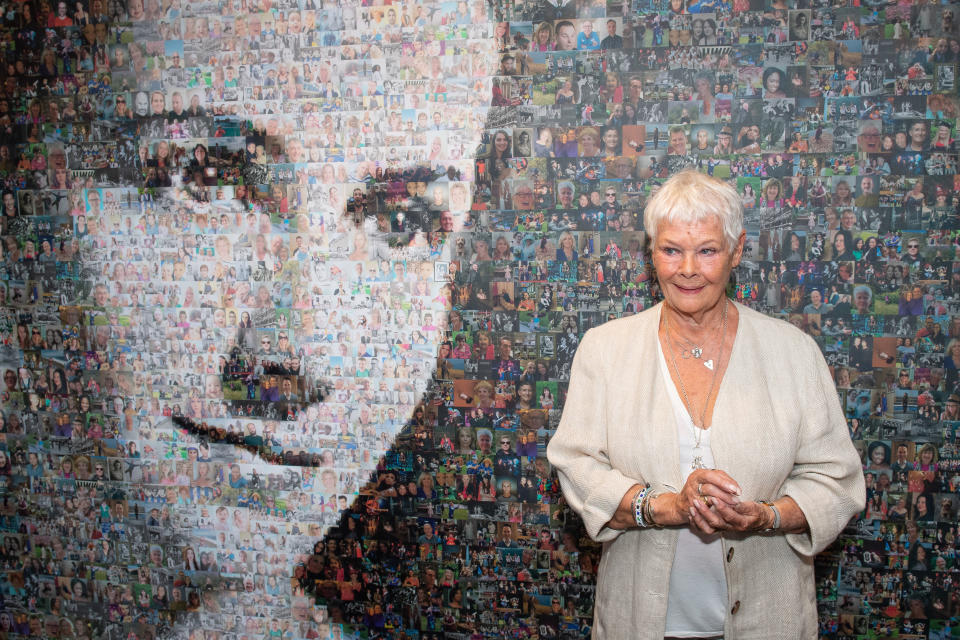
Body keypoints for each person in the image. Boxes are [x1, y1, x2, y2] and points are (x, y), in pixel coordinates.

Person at [547, 170, 865, 638]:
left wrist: (765, 516)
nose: (688, 269)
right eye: (671, 250)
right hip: (639, 621)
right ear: (651, 254)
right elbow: (577, 467)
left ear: (736, 252)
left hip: (768, 620)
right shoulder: (605, 349)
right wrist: (668, 506)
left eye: (707, 251)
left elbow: (837, 482)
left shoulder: (793, 352)